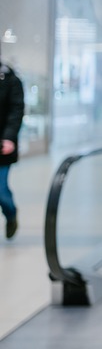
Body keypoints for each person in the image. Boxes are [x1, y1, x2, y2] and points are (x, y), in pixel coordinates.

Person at [0, 43, 24, 240]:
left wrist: (8, 138)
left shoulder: (11, 80)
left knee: (0, 191)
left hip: (2, 147)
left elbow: (16, 111)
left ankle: (11, 214)